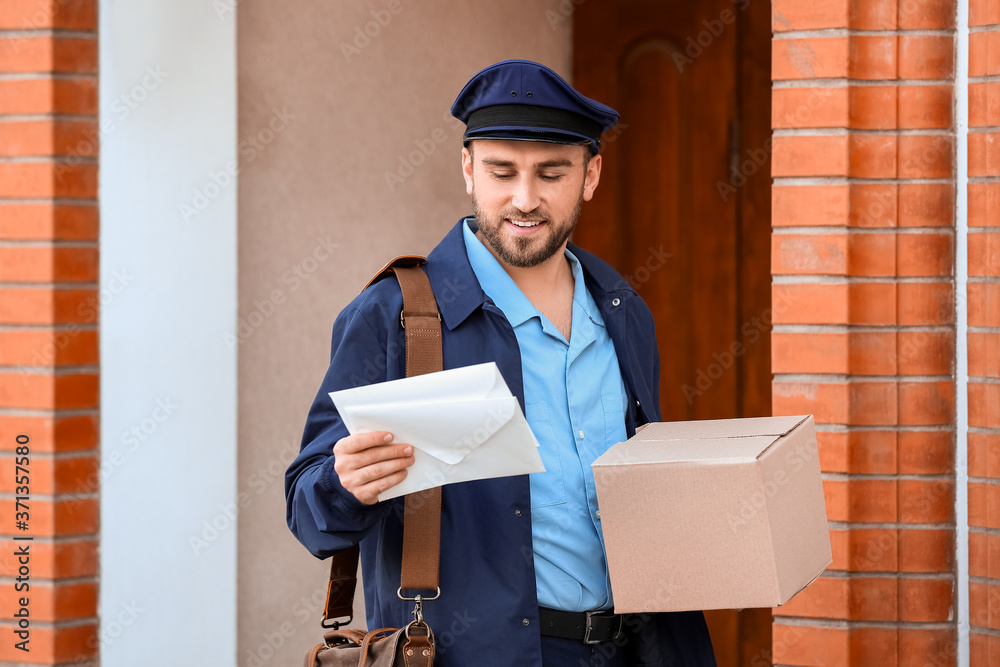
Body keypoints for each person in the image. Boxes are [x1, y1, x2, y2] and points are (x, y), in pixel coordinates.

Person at [285, 59, 716, 667]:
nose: (525, 198)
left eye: (551, 173)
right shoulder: (394, 315)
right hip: (475, 653)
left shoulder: (622, 309)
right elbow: (307, 510)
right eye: (501, 171)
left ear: (591, 175)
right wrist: (344, 484)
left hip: (635, 649)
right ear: (468, 170)